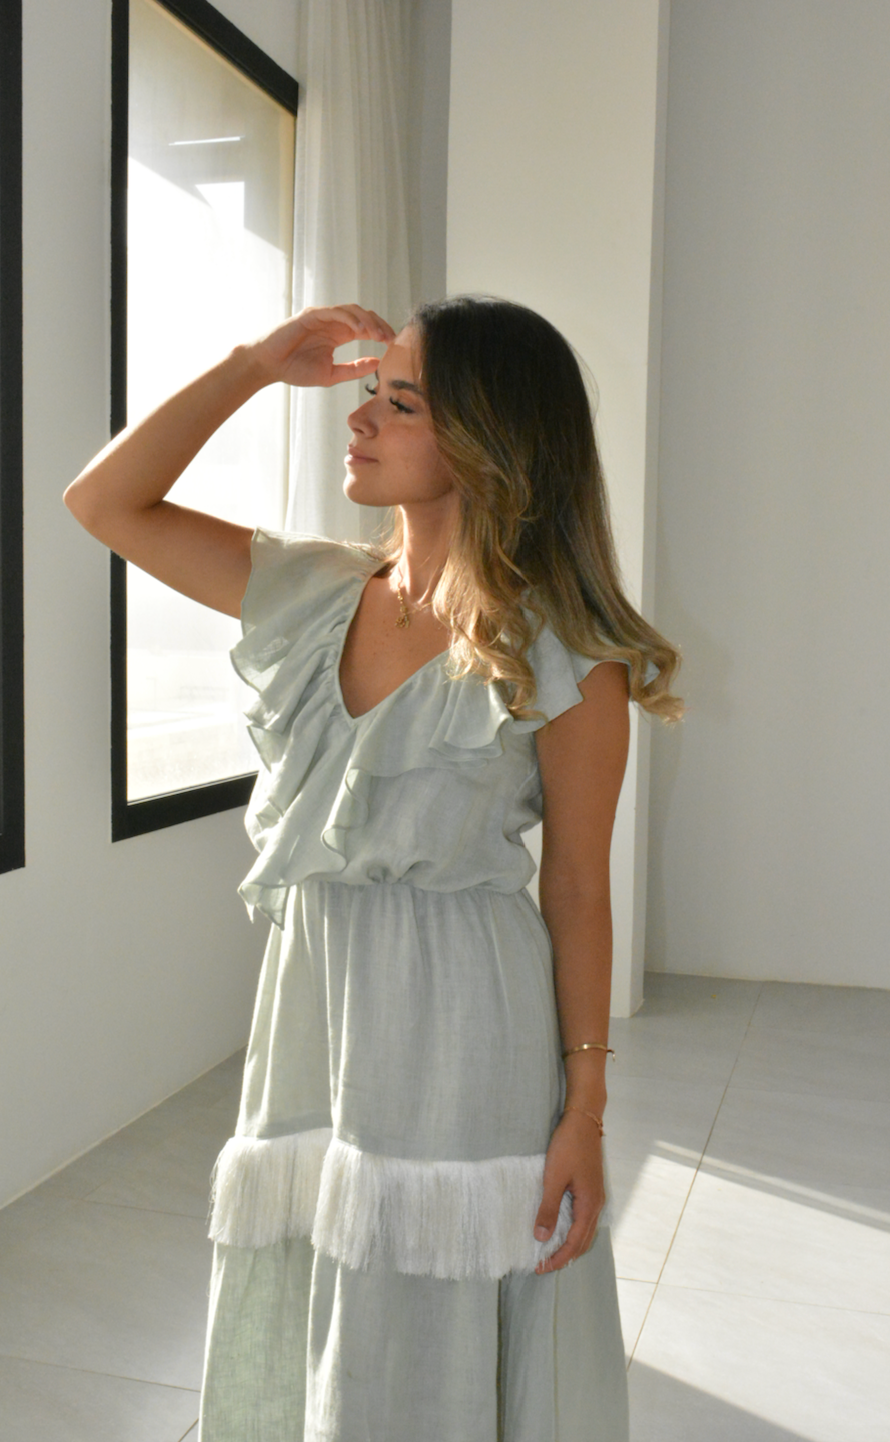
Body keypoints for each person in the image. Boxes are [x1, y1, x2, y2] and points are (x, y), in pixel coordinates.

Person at [65, 296, 682, 1442]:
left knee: (425, 1306)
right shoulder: (308, 590)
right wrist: (251, 365)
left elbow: (576, 891)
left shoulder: (565, 651)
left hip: (464, 1023)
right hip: (314, 1005)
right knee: (317, 1280)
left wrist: (584, 1113)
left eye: (400, 402)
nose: (359, 418)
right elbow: (102, 501)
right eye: (368, 392)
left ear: (489, 440)